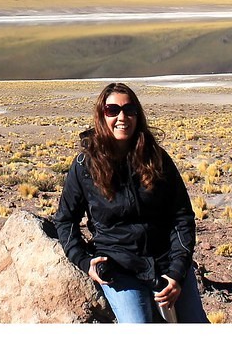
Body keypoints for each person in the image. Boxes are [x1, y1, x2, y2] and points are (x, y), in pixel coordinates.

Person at [53, 82, 209, 323]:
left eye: (129, 109)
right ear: (101, 115)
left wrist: (177, 272)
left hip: (166, 260)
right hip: (119, 268)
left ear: (138, 114)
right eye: (112, 110)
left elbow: (182, 217)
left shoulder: (156, 158)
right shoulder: (86, 165)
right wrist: (85, 262)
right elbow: (65, 220)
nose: (122, 116)